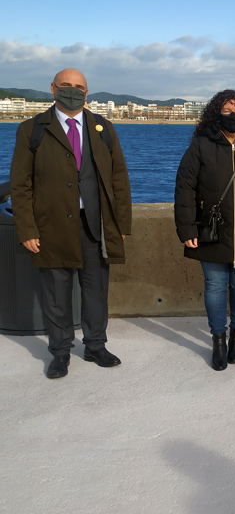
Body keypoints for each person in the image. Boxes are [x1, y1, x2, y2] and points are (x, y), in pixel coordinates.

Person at [10, 68, 132, 379]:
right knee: (56, 295)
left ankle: (95, 345)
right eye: (66, 86)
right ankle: (60, 352)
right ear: (52, 88)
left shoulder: (103, 128)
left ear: (87, 94)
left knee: (95, 292)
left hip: (94, 225)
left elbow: (119, 178)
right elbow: (20, 185)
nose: (72, 91)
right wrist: (27, 229)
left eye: (79, 87)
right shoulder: (32, 130)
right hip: (50, 227)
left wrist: (120, 224)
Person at [175, 89, 235, 371]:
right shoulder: (201, 146)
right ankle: (218, 339)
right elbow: (184, 188)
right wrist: (186, 227)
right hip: (211, 232)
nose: (233, 115)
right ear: (216, 112)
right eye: (228, 110)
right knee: (215, 286)